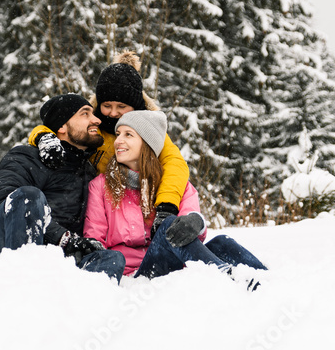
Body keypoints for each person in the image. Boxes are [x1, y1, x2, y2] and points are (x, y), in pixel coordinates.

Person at [83, 110, 267, 286]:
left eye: (128, 135)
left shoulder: (172, 182)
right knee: (168, 224)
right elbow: (95, 236)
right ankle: (226, 279)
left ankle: (268, 281)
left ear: (147, 143)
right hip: (136, 277)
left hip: (176, 265)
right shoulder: (100, 185)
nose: (118, 141)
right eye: (118, 134)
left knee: (222, 242)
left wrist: (195, 221)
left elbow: (191, 231)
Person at [0, 94, 126, 282]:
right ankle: (21, 287)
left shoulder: (89, 173)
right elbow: (4, 203)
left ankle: (75, 304)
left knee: (111, 259)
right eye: (85, 114)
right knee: (28, 197)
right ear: (62, 127)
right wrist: (63, 238)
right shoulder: (27, 157)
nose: (96, 119)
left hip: (52, 262)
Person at [29, 51, 190, 238]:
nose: (113, 113)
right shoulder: (93, 127)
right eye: (107, 105)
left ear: (136, 105)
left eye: (121, 107)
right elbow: (59, 126)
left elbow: (174, 164)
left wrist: (167, 205)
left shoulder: (146, 132)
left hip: (136, 210)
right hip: (98, 209)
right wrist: (42, 136)